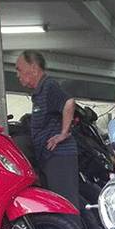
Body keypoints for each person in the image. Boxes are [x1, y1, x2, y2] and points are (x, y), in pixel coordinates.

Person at [15, 50, 80, 208]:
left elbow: (69, 102)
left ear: (34, 68)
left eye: (19, 69)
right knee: (54, 202)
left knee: (64, 203)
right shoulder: (39, 92)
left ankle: (71, 226)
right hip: (48, 156)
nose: (17, 74)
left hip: (59, 156)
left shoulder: (49, 86)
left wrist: (63, 134)